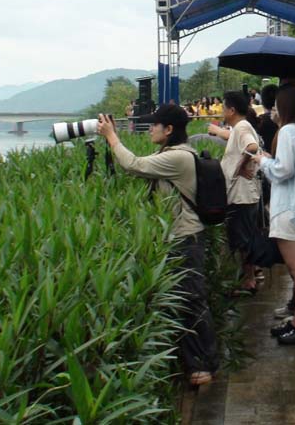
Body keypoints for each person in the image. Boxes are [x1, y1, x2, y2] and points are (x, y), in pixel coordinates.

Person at [96, 105, 220, 386]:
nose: (150, 128)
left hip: (185, 238)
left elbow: (133, 164)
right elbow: (136, 165)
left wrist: (112, 137)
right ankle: (197, 363)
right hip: (180, 236)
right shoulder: (169, 153)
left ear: (169, 129)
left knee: (191, 301)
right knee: (186, 301)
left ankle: (203, 364)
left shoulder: (178, 157)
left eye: (155, 124)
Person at [253, 85, 295, 345]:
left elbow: (283, 170)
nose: (273, 111)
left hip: (287, 208)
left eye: (276, 106)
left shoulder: (289, 131)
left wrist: (262, 161)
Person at [220, 90, 263, 295]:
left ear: (231, 110)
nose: (222, 111)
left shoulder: (242, 127)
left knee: (242, 239)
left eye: (223, 107)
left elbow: (252, 147)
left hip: (241, 195)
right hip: (243, 194)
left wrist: (241, 165)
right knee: (245, 236)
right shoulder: (240, 127)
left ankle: (249, 279)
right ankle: (251, 275)